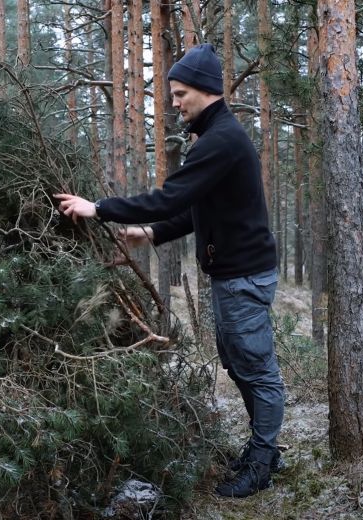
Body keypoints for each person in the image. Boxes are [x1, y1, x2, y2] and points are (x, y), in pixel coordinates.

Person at [54, 43, 284, 498]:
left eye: (180, 94)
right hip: (233, 276)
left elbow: (169, 197)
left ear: (204, 91)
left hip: (243, 278)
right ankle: (262, 450)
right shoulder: (217, 138)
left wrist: (98, 207)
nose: (174, 103)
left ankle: (262, 462)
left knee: (257, 371)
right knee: (240, 366)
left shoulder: (221, 142)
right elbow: (193, 208)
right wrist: (153, 234)